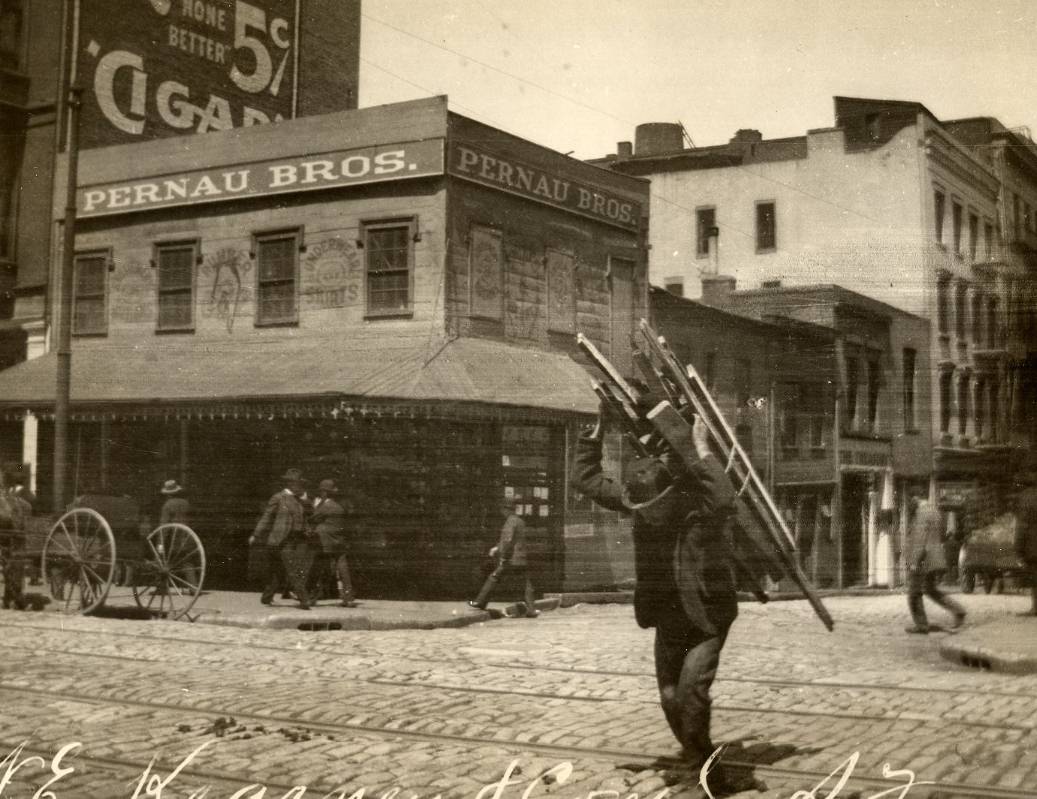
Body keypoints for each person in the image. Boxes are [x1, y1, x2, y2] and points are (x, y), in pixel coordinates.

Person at [571, 409, 737, 781]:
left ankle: (709, 773)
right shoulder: (636, 501)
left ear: (670, 495)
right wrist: (594, 435)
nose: (647, 515)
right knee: (668, 697)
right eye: (640, 510)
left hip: (706, 617)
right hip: (669, 616)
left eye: (654, 508)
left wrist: (700, 447)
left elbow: (725, 499)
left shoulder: (697, 509)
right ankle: (702, 759)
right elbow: (585, 479)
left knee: (691, 694)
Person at [249, 468, 313, 610]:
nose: (300, 486)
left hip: (295, 540)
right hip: (281, 540)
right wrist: (256, 534)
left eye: (301, 484)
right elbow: (267, 517)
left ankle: (266, 597)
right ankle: (304, 600)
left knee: (278, 571)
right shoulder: (278, 498)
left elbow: (306, 516)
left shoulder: (300, 500)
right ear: (290, 484)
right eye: (298, 483)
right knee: (293, 569)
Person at [905, 495, 966, 634]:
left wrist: (914, 561)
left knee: (914, 593)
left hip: (923, 560)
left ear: (915, 499)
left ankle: (921, 625)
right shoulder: (935, 511)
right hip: (935, 558)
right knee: (930, 590)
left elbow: (920, 539)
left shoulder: (921, 514)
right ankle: (959, 610)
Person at [468, 499, 538, 618]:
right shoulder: (520, 521)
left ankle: (480, 602)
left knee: (494, 577)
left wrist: (501, 554)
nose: (502, 512)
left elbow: (507, 540)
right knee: (526, 583)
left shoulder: (510, 521)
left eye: (503, 509)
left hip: (510, 557)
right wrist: (498, 547)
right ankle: (531, 610)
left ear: (506, 510)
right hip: (521, 557)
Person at [310, 478, 356, 607]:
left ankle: (312, 597)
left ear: (324, 493)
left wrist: (316, 506)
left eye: (321, 492)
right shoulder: (339, 506)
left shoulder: (326, 506)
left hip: (325, 542)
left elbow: (312, 518)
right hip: (339, 541)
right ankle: (349, 598)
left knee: (318, 569)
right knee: (343, 569)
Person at [1013, 471, 1037, 616]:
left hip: (1033, 543)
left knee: (1035, 577)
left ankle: (1035, 607)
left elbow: (1022, 525)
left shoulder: (1026, 497)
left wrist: (1018, 546)